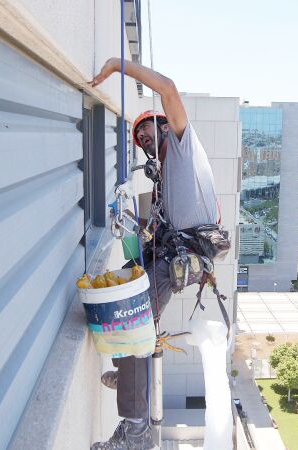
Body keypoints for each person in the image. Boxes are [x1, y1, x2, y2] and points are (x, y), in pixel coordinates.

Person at [89, 57, 219, 450]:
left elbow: (168, 88)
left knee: (134, 322)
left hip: (179, 258)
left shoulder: (181, 145)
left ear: (165, 125)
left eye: (146, 130)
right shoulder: (165, 175)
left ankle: (135, 431)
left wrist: (117, 65)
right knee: (123, 283)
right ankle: (130, 372)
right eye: (138, 138)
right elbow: (155, 226)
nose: (142, 139)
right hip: (168, 255)